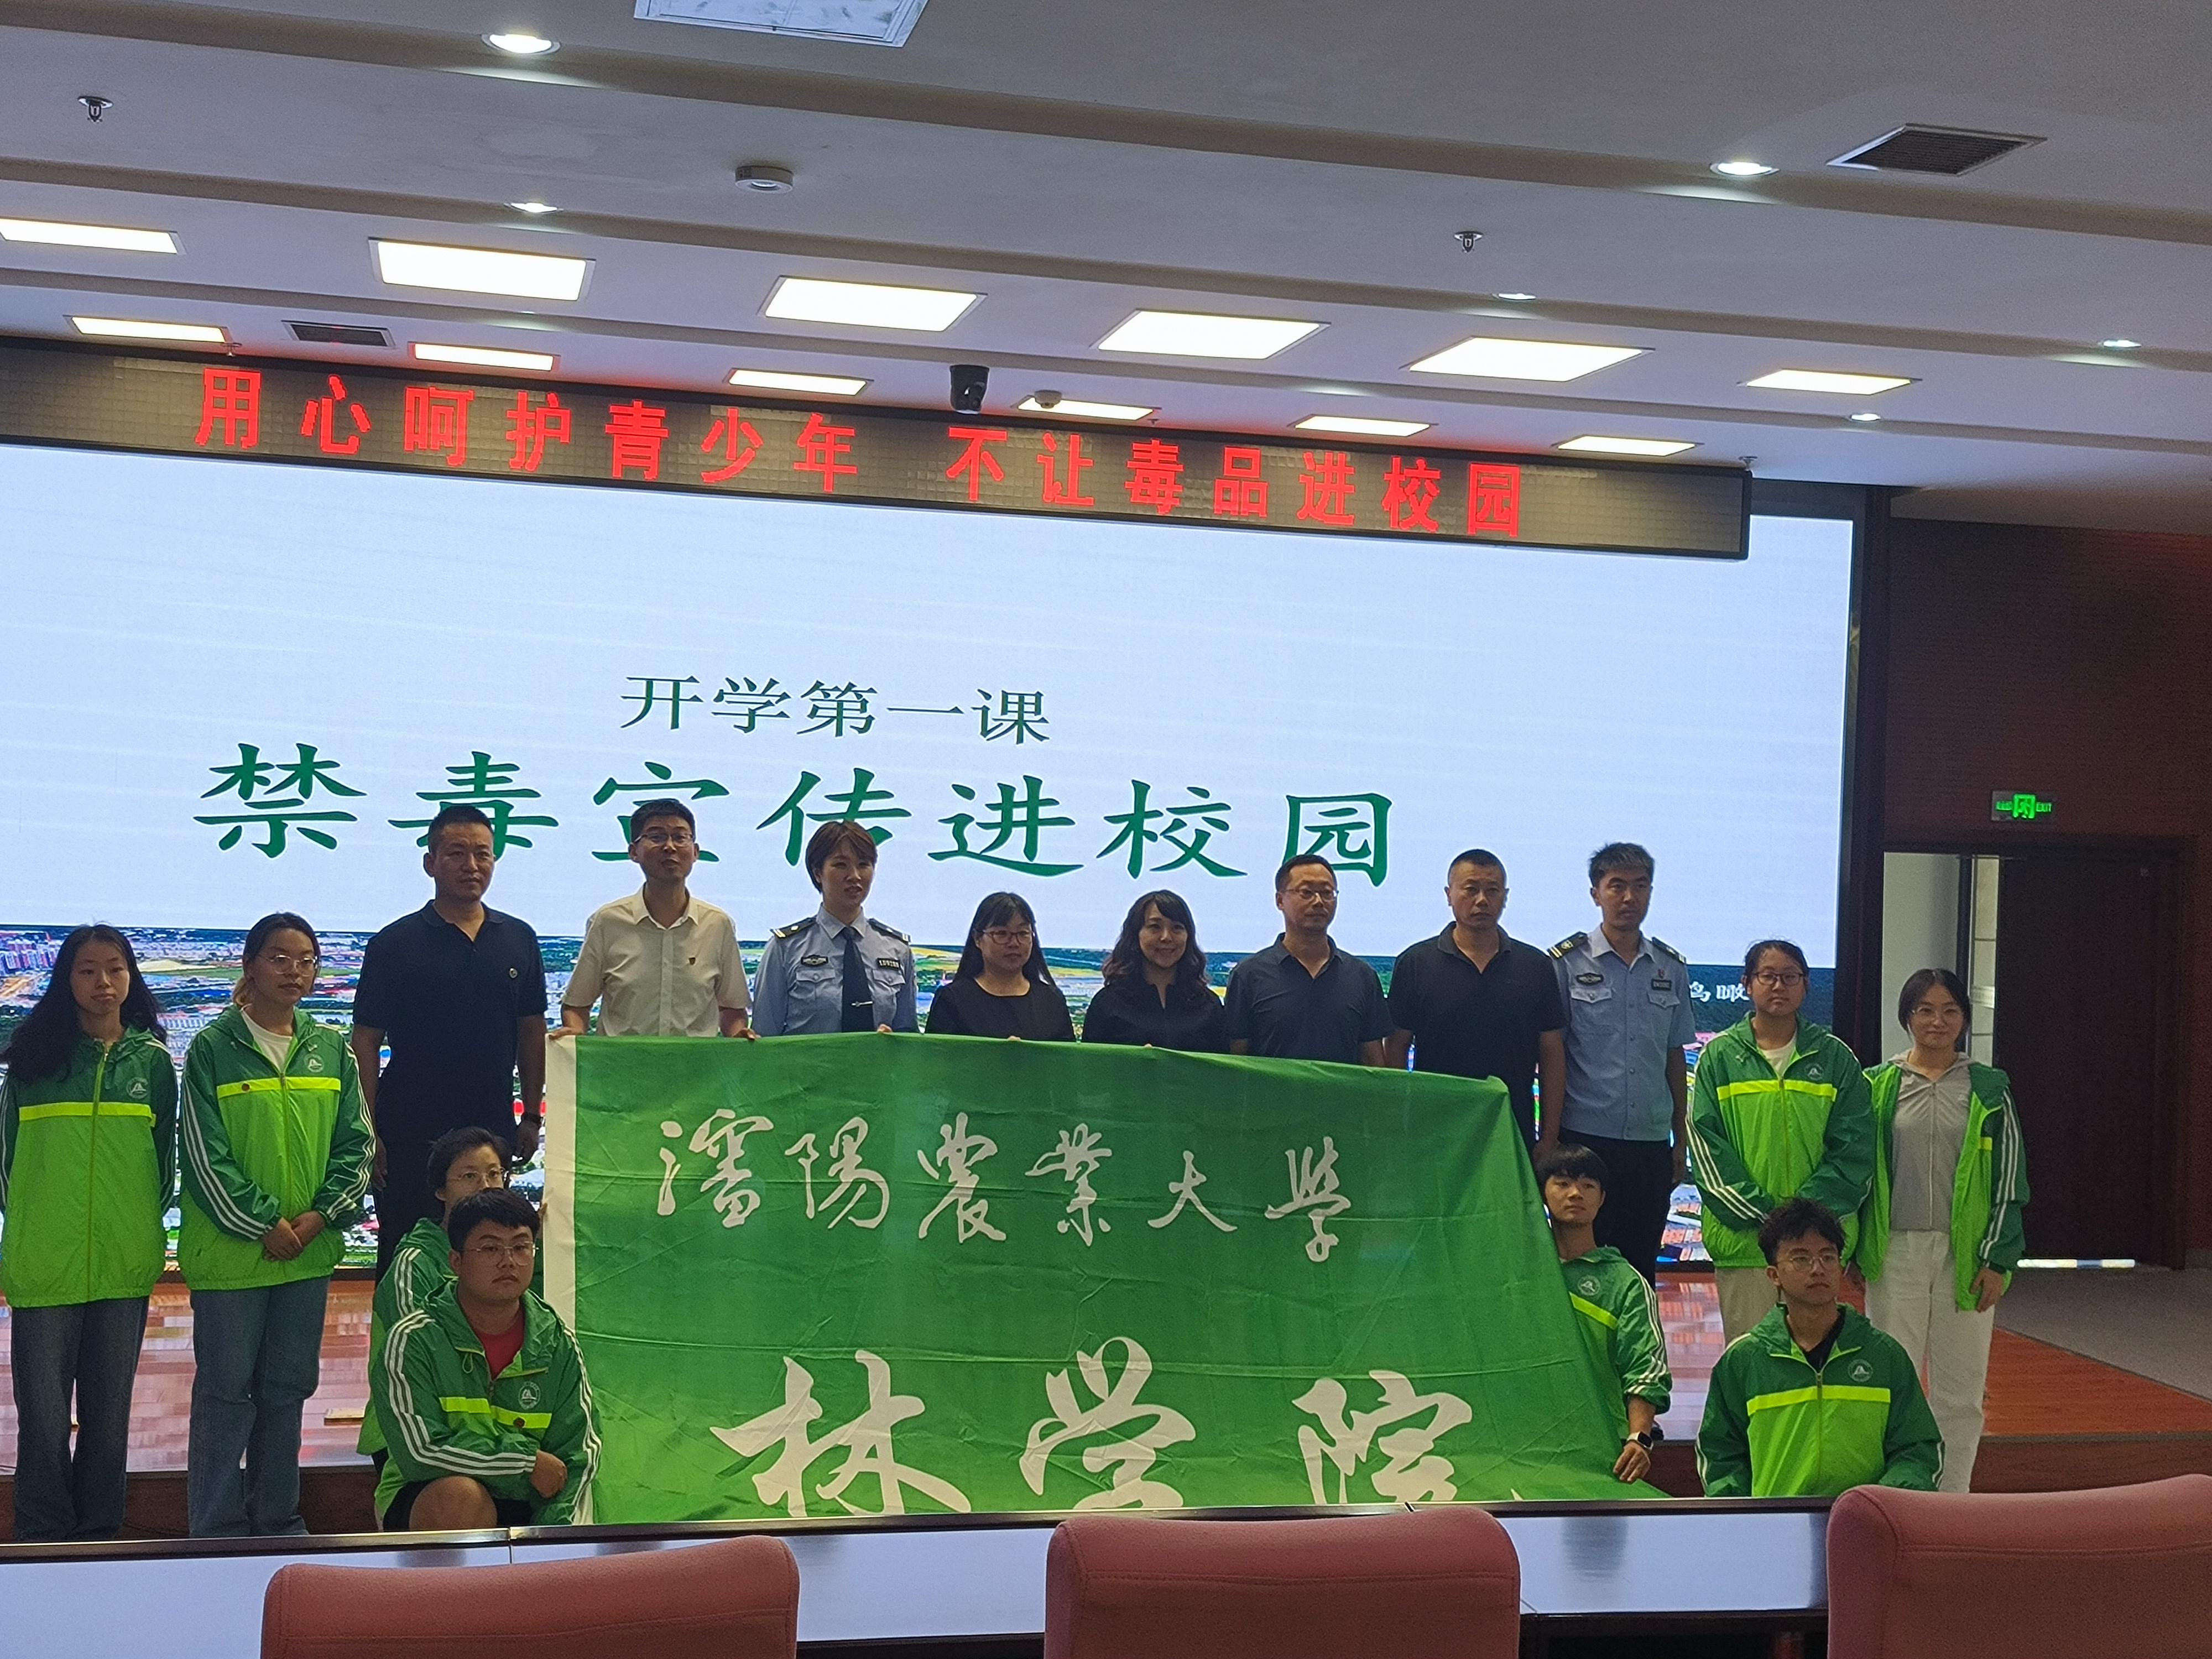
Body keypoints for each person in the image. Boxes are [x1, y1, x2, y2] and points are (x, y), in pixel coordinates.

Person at [181, 912, 374, 1536]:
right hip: (233, 1258)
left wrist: (318, 1218)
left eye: (307, 960)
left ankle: (276, 1518)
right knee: (225, 1393)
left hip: (307, 1256)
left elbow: (357, 1146)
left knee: (287, 1390)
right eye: (280, 958)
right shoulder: (214, 1048)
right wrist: (265, 1223)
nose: (295, 971)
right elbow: (204, 1156)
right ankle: (214, 1527)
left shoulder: (331, 1048)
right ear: (251, 965)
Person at [0, 926, 176, 1542]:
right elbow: (7, 1162)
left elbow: (163, 1167)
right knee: (44, 1417)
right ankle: (42, 1533)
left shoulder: (152, 1063)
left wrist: (139, 1229)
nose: (104, 983)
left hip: (122, 1263)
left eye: (116, 968)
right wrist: (32, 1225)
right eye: (87, 970)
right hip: (44, 1260)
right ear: (66, 980)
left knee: (108, 1414)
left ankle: (101, 1531)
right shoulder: (33, 1061)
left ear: (132, 977)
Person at [352, 804, 547, 1277]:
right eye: (457, 853)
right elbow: (366, 1042)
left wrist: (532, 1114)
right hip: (409, 1130)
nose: (471, 865)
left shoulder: (518, 938)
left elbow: (532, 1032)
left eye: (483, 854)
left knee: (489, 1253)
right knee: (405, 1254)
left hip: (491, 1127)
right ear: (431, 863)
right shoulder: (394, 943)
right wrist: (369, 1130)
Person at [1856, 968, 2028, 1494]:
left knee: (1961, 1390)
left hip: (1967, 1256)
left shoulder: (1989, 1088)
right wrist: (1854, 1249)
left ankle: (1953, 1500)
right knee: (1895, 1381)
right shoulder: (1877, 1085)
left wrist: (1997, 1259)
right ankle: (1898, 1495)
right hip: (1894, 1251)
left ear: (1964, 1019)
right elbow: (1860, 1173)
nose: (1938, 1021)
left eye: (1950, 1010)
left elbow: (2009, 1180)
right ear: (1907, 1016)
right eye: (1925, 1010)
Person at [374, 1188, 599, 1530]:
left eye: (521, 1247)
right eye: (491, 1248)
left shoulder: (558, 1344)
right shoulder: (413, 1340)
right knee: (461, 1498)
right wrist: (524, 1463)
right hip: (431, 1495)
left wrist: (551, 1538)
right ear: (456, 1262)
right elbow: (421, 1452)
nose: (509, 1261)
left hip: (527, 1502)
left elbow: (578, 1456)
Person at [1686, 939, 1875, 1345]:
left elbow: (1856, 1150)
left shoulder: (1836, 1058)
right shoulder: (1718, 1058)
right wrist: (1771, 1217)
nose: (1778, 986)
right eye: (1767, 976)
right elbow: (1707, 1149)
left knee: (1816, 1359)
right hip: (1746, 1245)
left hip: (1819, 1247)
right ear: (1747, 984)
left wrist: (1805, 1220)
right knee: (1751, 1361)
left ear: (1806, 985)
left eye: (1790, 977)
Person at [1696, 1198, 1942, 1498]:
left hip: (1865, 1521)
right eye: (1801, 1259)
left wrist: (1881, 1504)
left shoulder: (1885, 1356)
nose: (1817, 1269)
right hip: (1775, 1523)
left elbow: (1918, 1449)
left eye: (1828, 1257)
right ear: (1774, 1275)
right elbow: (1720, 1455)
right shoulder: (1743, 1361)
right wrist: (1748, 1516)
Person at [1550, 843, 1697, 1281]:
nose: (1629, 897)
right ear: (1596, 893)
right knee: (1578, 1261)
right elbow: (1552, 1053)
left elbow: (1674, 1056)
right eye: (1617, 886)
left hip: (1649, 1144)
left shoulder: (1671, 967)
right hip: (1585, 1138)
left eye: (1640, 886)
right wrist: (1550, 1138)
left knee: (1641, 1263)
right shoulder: (1566, 963)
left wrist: (1679, 1139)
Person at [1385, 849, 1564, 1151]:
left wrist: (1548, 1137)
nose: (1482, 900)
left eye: (1492, 890)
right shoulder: (1416, 963)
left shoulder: (1535, 966)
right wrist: (1400, 1123)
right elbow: (1396, 1048)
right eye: (1470, 890)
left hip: (1512, 1128)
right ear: (1449, 895)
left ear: (1505, 897)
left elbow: (1551, 1053)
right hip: (1434, 1129)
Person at [356, 1126, 512, 1472]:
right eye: (469, 1177)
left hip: (496, 1428)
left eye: (494, 1174)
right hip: (415, 1432)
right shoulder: (414, 1264)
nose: (485, 1186)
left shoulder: (519, 1259)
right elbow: (419, 1358)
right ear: (441, 1190)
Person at [557, 797, 752, 1040]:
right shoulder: (608, 921)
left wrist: (739, 1035)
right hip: (622, 1063)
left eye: (680, 837)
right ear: (633, 852)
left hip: (697, 1064)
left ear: (695, 852)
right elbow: (577, 1005)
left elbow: (732, 1008)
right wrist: (574, 1035)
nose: (669, 847)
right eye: (657, 837)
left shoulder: (717, 924)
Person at [1537, 1144, 1670, 1485]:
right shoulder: (1521, 1273)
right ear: (1543, 1194)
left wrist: (1639, 1438)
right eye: (1563, 1183)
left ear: (1602, 1199)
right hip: (1528, 1441)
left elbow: (1646, 1367)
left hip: (1603, 1445)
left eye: (1588, 1185)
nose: (1575, 1193)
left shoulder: (1626, 1283)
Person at [752, 820, 917, 1036]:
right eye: (841, 865)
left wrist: (894, 1039)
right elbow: (764, 1036)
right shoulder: (785, 948)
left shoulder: (896, 950)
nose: (855, 876)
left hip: (878, 1060)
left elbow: (908, 1034)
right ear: (818, 873)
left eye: (864, 865)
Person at [1224, 857, 1390, 1066]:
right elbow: (1236, 1059)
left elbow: (1373, 1060)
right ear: (1280, 900)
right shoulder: (1248, 975)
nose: (1319, 901)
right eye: (1307, 892)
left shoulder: (1362, 977)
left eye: (1327, 893)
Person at [1080, 890, 1229, 1052]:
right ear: (1136, 934)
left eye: (1177, 928)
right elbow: (1091, 1064)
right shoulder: (1107, 1003)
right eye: (1155, 927)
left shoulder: (1209, 1005)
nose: (1166, 937)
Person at [926, 893, 1077, 1040]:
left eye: (1023, 933)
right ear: (978, 938)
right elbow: (937, 1053)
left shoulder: (1052, 1000)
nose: (1014, 943)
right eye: (1002, 933)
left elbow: (1066, 1055)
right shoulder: (953, 999)